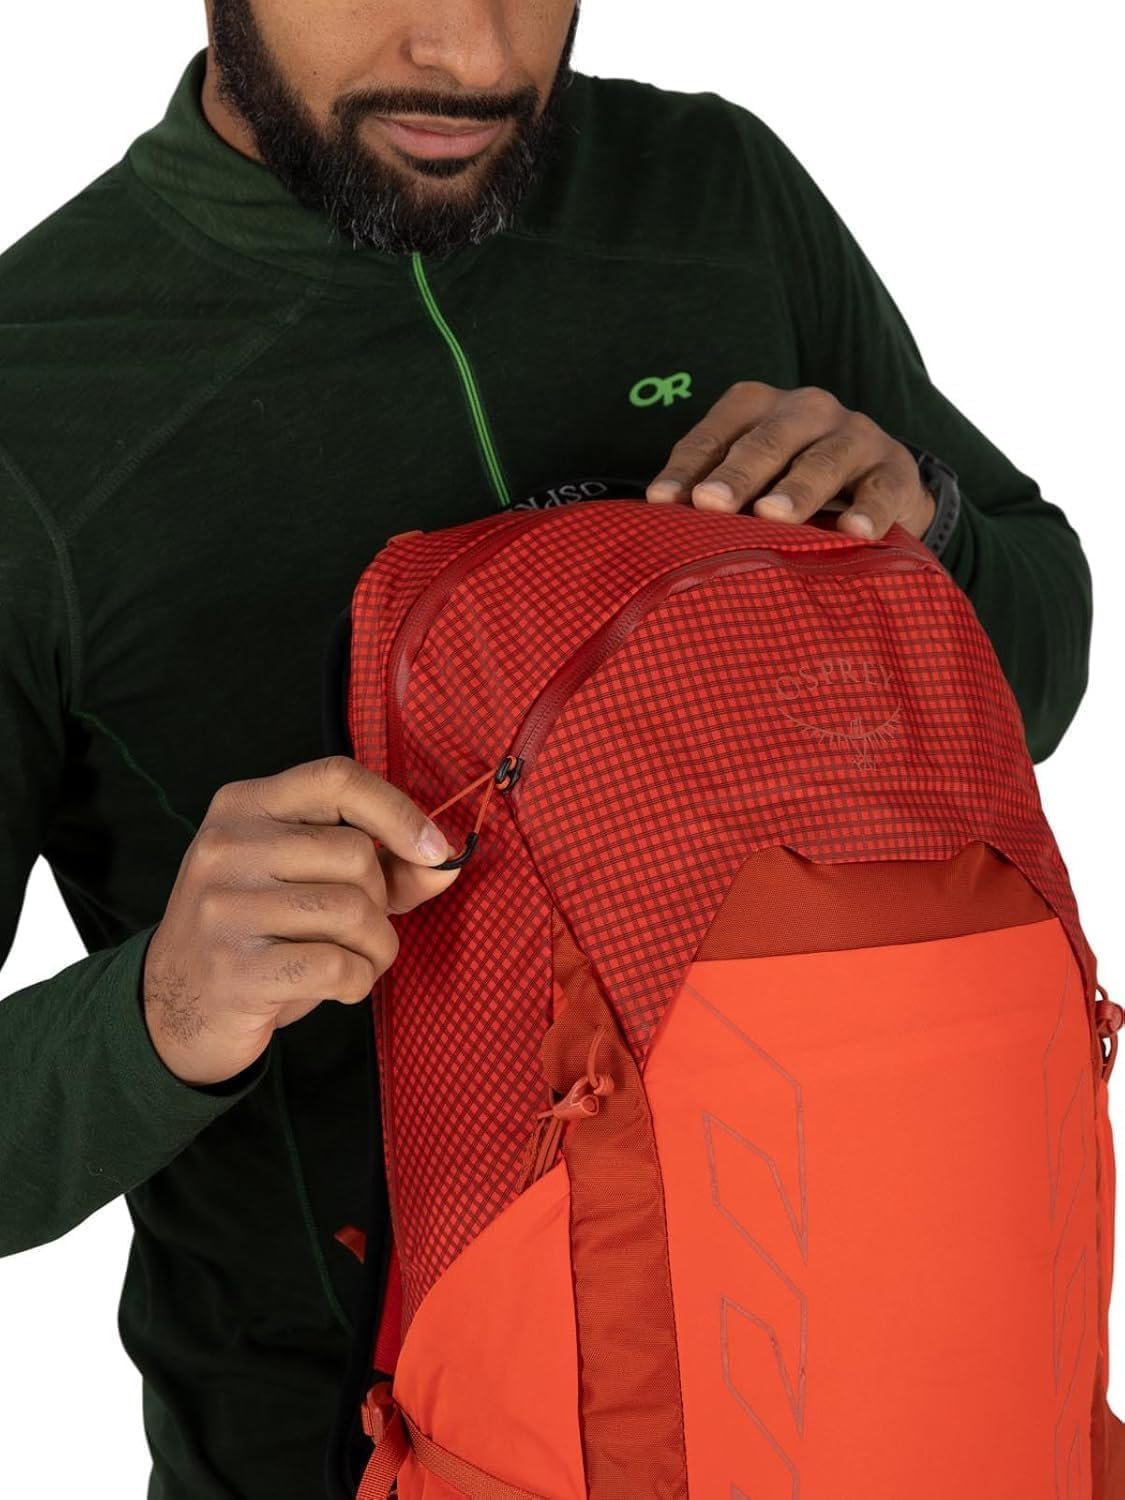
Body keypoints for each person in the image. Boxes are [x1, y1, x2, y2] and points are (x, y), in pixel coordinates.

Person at [0, 2, 1093, 1496]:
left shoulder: (714, 196)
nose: (473, 57)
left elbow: (1032, 681)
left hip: (894, 1389)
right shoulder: (36, 400)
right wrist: (161, 1012)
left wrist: (930, 534)